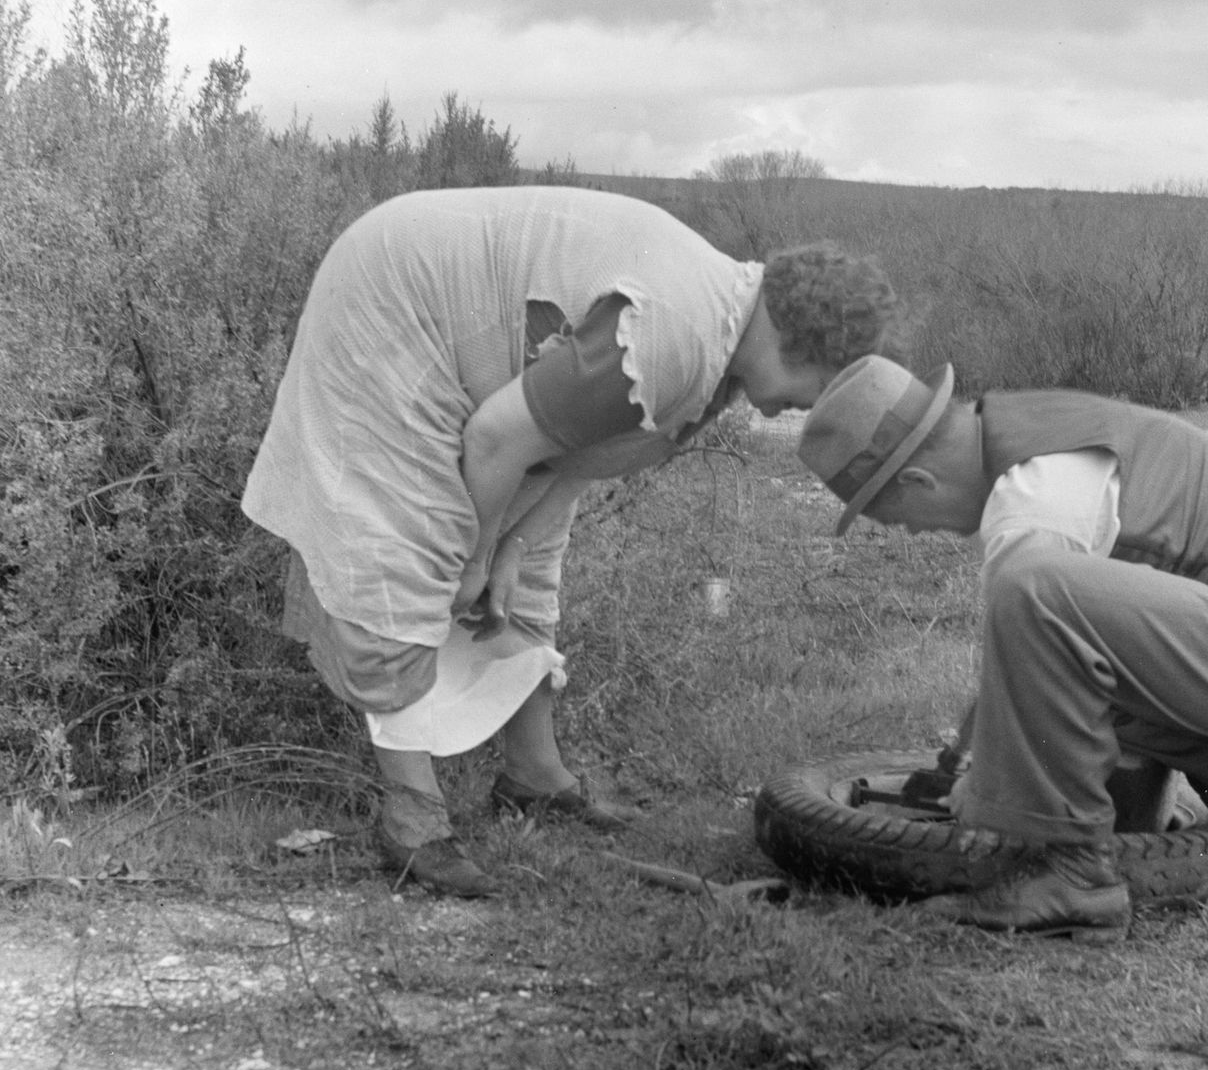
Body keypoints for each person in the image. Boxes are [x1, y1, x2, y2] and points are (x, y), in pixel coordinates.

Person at [244, 185, 900, 898]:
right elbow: (495, 440)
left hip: (463, 342)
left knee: (526, 572)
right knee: (406, 546)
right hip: (395, 300)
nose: (814, 403)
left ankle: (533, 777)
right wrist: (471, 556)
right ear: (796, 338)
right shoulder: (674, 335)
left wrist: (511, 549)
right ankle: (412, 818)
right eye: (823, 380)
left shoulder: (721, 343)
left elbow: (567, 459)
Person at [796, 357, 1208, 940]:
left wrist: (978, 781)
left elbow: (1028, 642)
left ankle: (1072, 876)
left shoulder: (1033, 496)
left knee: (1031, 592)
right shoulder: (1037, 437)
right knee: (1074, 661)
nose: (914, 532)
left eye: (898, 518)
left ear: (916, 480)